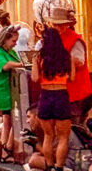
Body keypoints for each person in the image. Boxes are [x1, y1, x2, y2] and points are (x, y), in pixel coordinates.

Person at [33, 26, 73, 171]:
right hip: (61, 95)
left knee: (48, 135)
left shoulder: (39, 57)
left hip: (46, 95)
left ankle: (49, 166)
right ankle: (59, 167)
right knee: (63, 137)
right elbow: (72, 77)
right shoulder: (66, 56)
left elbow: (35, 78)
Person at [45, 6, 92, 120]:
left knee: (73, 123)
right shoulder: (54, 38)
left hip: (76, 91)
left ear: (67, 24)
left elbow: (79, 61)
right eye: (55, 24)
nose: (57, 27)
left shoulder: (74, 39)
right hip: (61, 90)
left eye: (60, 24)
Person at [0, 25, 23, 160]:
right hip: (1, 89)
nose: (15, 44)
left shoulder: (10, 51)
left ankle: (7, 146)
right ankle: (4, 147)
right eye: (13, 41)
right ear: (5, 39)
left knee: (11, 118)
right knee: (8, 118)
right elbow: (5, 66)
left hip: (11, 88)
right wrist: (21, 65)